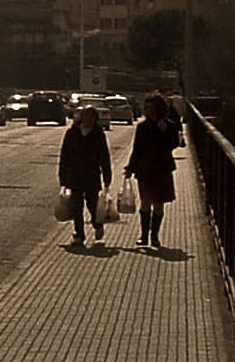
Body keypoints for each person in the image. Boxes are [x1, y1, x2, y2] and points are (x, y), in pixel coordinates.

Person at [125, 92, 178, 248]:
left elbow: (174, 144)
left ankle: (154, 236)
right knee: (145, 202)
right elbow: (137, 149)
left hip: (162, 168)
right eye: (146, 108)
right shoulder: (142, 127)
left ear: (159, 109)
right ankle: (143, 235)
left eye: (151, 108)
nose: (148, 111)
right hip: (145, 169)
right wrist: (130, 167)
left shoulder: (169, 125)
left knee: (159, 203)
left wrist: (166, 132)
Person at [58, 105, 112, 246]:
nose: (88, 119)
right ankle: (79, 235)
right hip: (74, 175)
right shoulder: (72, 133)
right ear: (81, 117)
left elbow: (104, 156)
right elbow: (65, 155)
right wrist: (63, 176)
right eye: (86, 116)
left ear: (95, 119)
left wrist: (107, 177)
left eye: (91, 117)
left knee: (92, 204)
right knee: (76, 206)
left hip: (92, 175)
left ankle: (97, 224)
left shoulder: (98, 134)